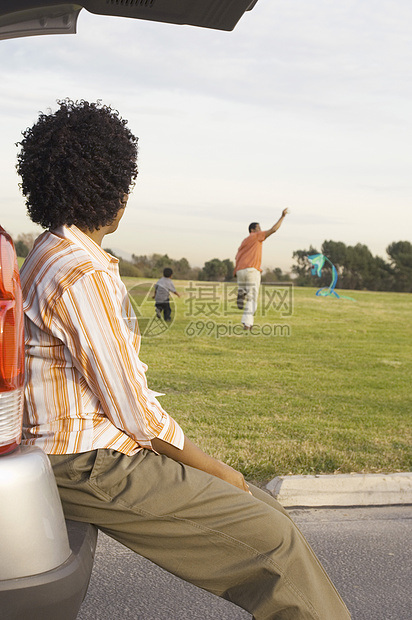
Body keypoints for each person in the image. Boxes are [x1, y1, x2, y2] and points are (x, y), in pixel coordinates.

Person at [18, 100, 351, 620]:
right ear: (115, 192)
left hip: (88, 450)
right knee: (274, 542)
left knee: (268, 514)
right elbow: (134, 413)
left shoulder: (51, 250)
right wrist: (216, 467)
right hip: (84, 461)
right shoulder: (81, 272)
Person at [234, 211, 288, 330]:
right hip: (251, 270)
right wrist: (282, 216)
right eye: (259, 228)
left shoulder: (244, 241)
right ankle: (247, 324)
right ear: (252, 230)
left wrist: (235, 272)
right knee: (252, 298)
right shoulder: (256, 236)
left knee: (246, 290)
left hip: (240, 271)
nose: (261, 230)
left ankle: (241, 290)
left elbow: (237, 256)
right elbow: (273, 229)